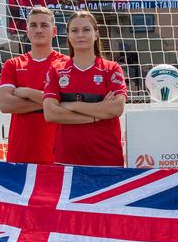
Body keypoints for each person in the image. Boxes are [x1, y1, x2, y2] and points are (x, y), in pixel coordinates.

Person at [43, 11, 127, 166]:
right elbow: (50, 113)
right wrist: (97, 114)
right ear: (68, 36)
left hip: (107, 159)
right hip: (66, 161)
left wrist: (70, 105)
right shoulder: (56, 70)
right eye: (74, 30)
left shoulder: (111, 69)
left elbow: (116, 108)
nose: (80, 34)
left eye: (86, 29)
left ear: (96, 34)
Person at [0, 7, 68, 164]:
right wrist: (50, 102)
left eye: (44, 25)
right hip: (20, 154)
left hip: (58, 155)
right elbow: (5, 104)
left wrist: (27, 92)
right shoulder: (12, 65)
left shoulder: (66, 64)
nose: (38, 30)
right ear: (27, 31)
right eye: (34, 25)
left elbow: (68, 103)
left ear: (54, 31)